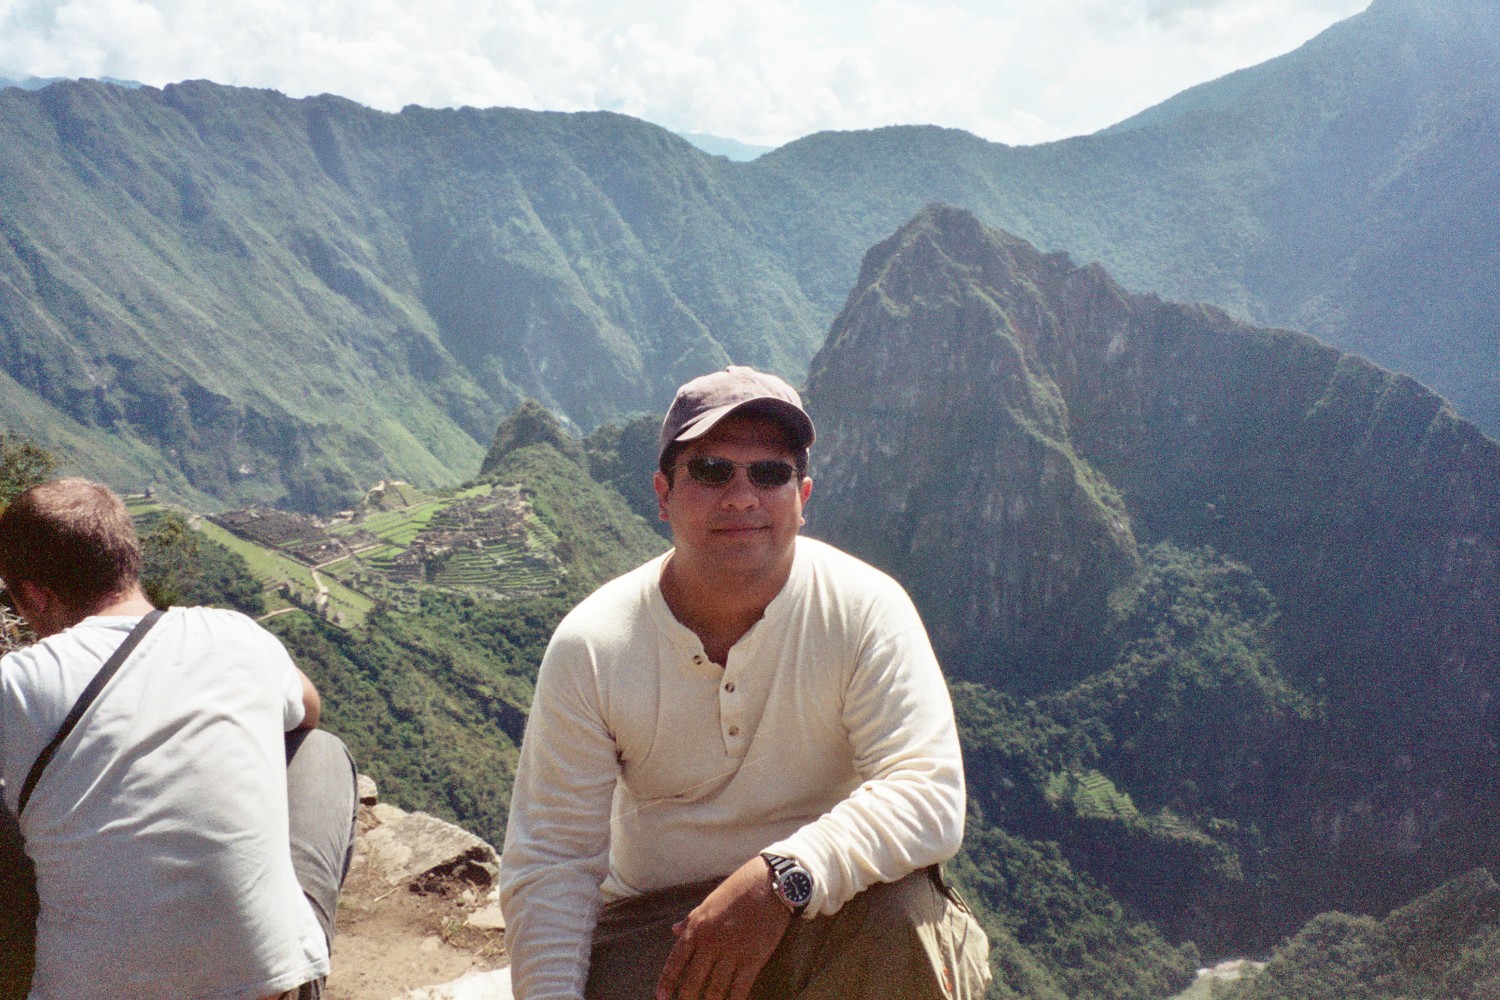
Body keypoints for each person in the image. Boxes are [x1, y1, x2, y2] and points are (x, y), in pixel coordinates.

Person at [500, 366, 991, 1000]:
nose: (742, 496)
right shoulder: (594, 646)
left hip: (836, 909)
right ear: (662, 494)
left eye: (770, 473)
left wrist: (780, 879)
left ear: (803, 495)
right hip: (662, 927)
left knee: (903, 921)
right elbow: (553, 861)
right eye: (710, 471)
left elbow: (928, 792)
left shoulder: (865, 608)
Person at [0, 478, 357, 1000]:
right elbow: (309, 711)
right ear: (128, 559)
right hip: (266, 989)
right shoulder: (236, 635)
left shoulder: (17, 685)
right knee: (322, 752)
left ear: (34, 593)